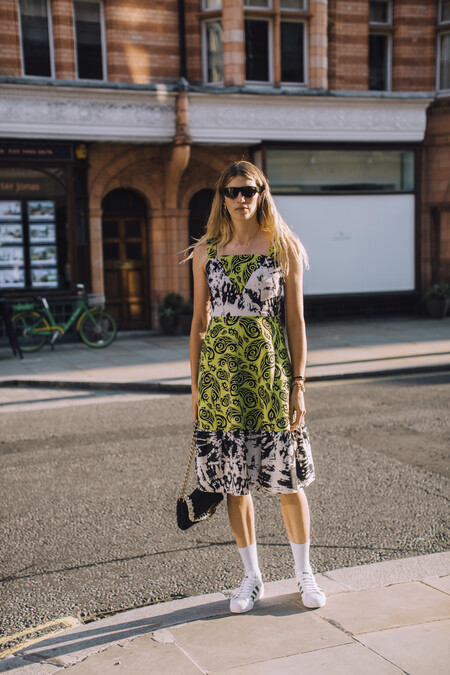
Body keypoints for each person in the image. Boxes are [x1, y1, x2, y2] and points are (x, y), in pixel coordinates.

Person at [189, 160, 325, 613]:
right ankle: (251, 577)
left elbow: (296, 321)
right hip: (221, 383)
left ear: (262, 193)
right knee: (234, 484)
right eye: (232, 191)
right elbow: (198, 324)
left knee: (288, 481)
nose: (241, 198)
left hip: (270, 376)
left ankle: (304, 574)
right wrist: (195, 390)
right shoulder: (206, 250)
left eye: (249, 190)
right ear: (221, 198)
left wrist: (299, 384)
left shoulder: (283, 246)